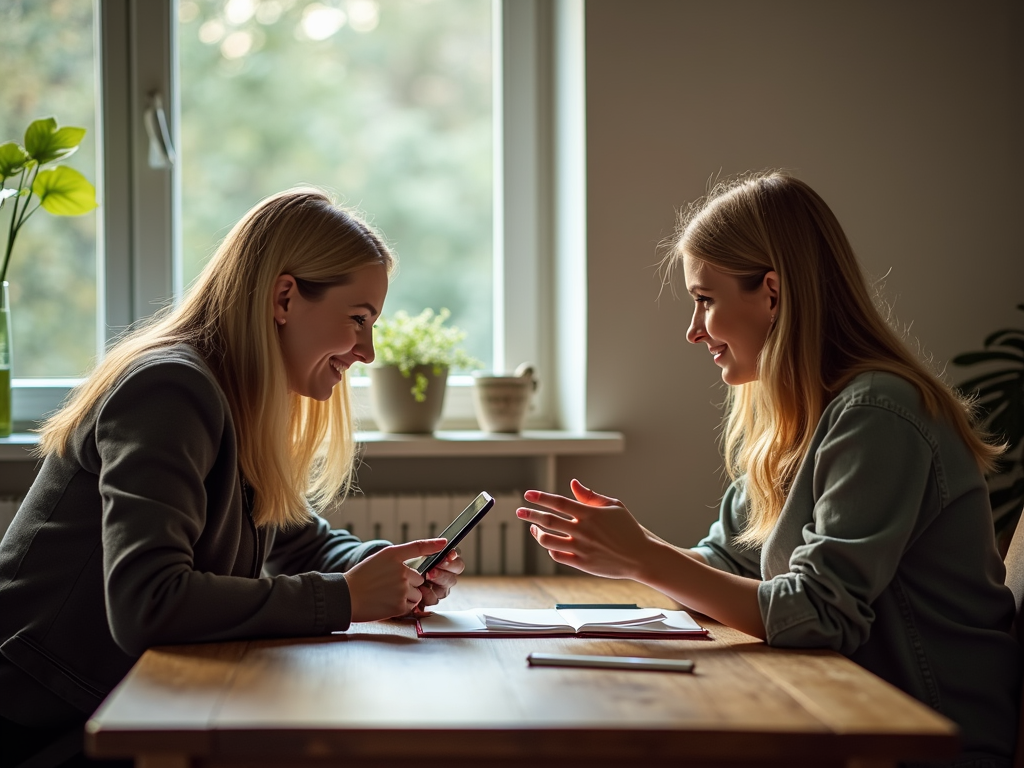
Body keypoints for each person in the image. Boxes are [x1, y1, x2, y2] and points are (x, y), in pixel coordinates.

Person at [516, 172, 1020, 766]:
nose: (693, 329)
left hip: (924, 732)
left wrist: (643, 558)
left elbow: (819, 616)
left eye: (705, 299)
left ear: (772, 294)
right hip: (843, 710)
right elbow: (728, 561)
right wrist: (632, 545)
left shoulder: (879, 415)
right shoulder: (798, 413)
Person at [0, 188, 463, 767]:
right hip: (41, 719)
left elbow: (301, 537)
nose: (367, 350)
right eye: (358, 319)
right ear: (285, 297)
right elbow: (149, 603)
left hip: (115, 701)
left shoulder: (237, 395)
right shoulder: (169, 390)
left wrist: (388, 570)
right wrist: (344, 598)